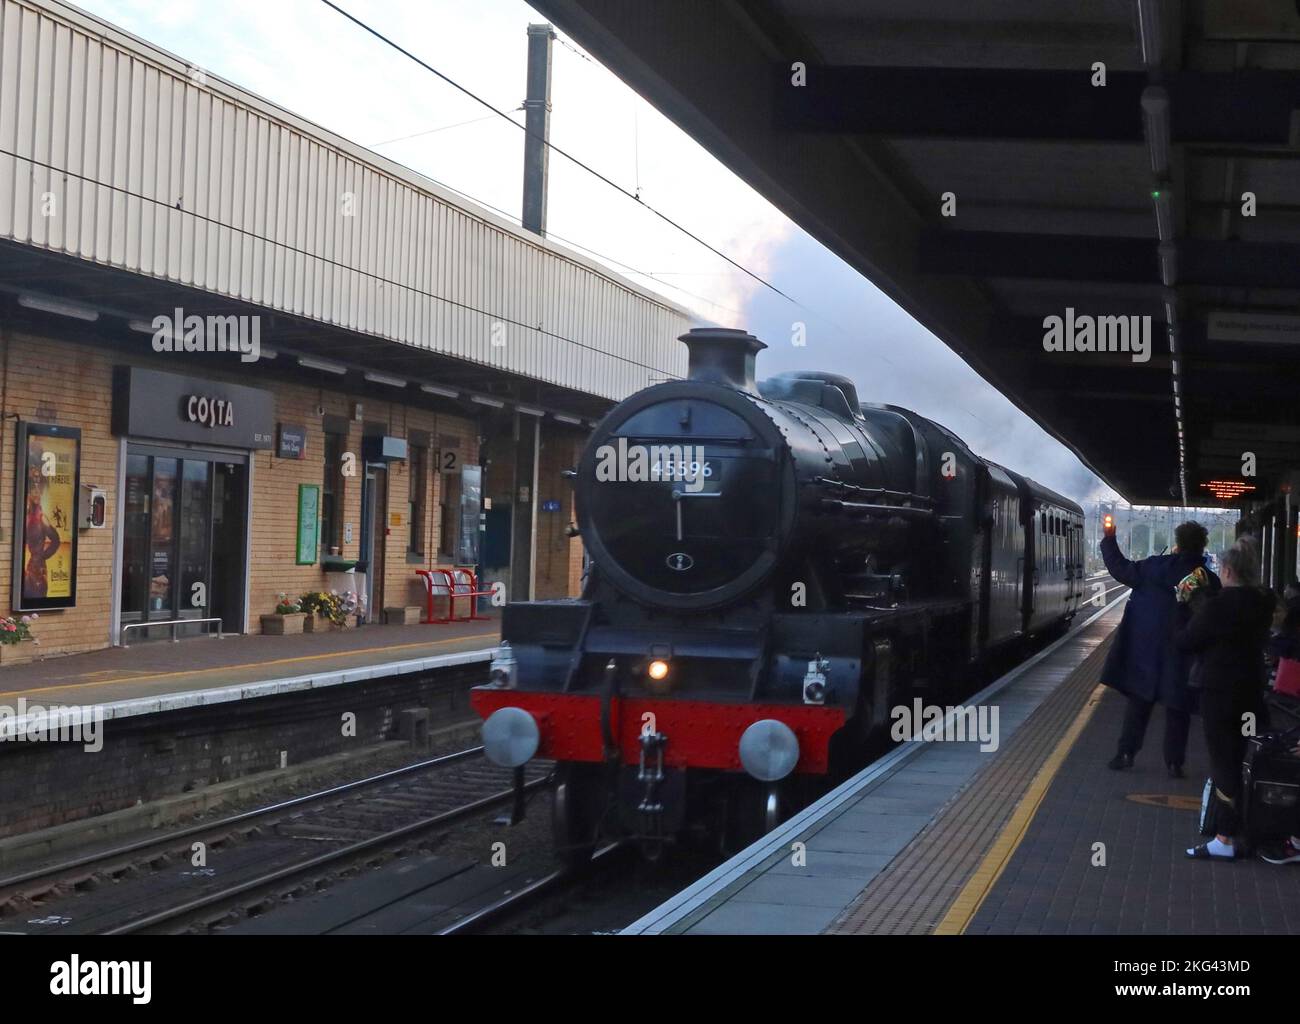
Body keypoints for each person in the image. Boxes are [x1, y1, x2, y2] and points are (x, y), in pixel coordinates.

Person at [1179, 538, 1275, 860]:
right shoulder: (1263, 603)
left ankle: (1225, 838)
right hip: (1251, 696)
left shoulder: (1220, 606)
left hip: (1220, 697)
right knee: (1242, 755)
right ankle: (1240, 829)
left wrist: (1186, 604)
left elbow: (1188, 641)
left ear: (1229, 570)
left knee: (1224, 762)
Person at [1099, 519, 1220, 777]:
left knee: (1139, 704)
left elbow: (1120, 568)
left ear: (1178, 543)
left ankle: (1125, 754)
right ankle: (1174, 764)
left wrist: (1109, 538)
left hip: (1146, 651)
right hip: (1183, 653)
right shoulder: (1206, 579)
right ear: (1202, 547)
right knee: (1178, 710)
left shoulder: (1154, 566)